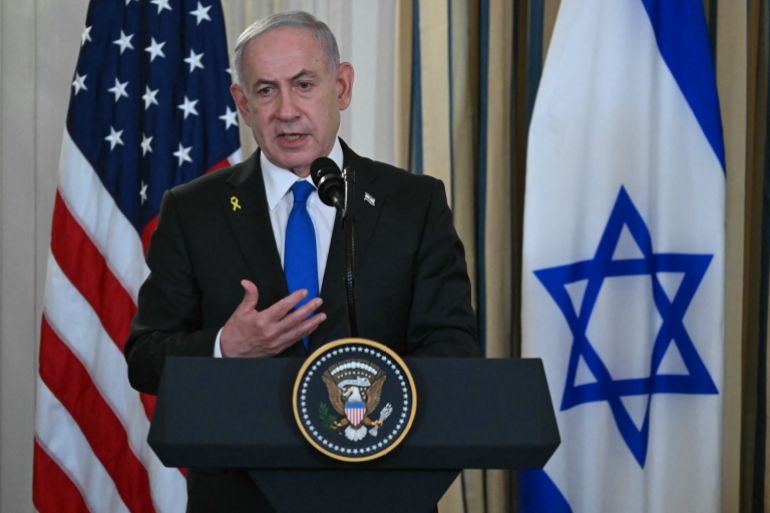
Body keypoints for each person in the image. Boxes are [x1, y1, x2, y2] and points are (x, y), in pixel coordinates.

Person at [125, 10, 478, 513]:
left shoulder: (413, 204)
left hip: (382, 489)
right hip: (240, 497)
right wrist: (228, 346)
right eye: (266, 91)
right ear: (242, 105)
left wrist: (371, 410)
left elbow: (453, 348)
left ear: (342, 87)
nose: (287, 110)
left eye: (304, 84)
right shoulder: (193, 210)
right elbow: (144, 358)